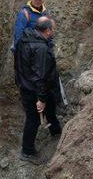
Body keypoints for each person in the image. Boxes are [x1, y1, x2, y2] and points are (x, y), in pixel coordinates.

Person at [14, 16, 62, 164]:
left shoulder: (24, 38)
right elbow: (40, 76)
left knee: (51, 106)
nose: (53, 32)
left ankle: (56, 131)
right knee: (33, 120)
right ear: (47, 31)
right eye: (52, 29)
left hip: (27, 84)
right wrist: (41, 99)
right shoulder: (40, 48)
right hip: (35, 89)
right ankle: (27, 151)